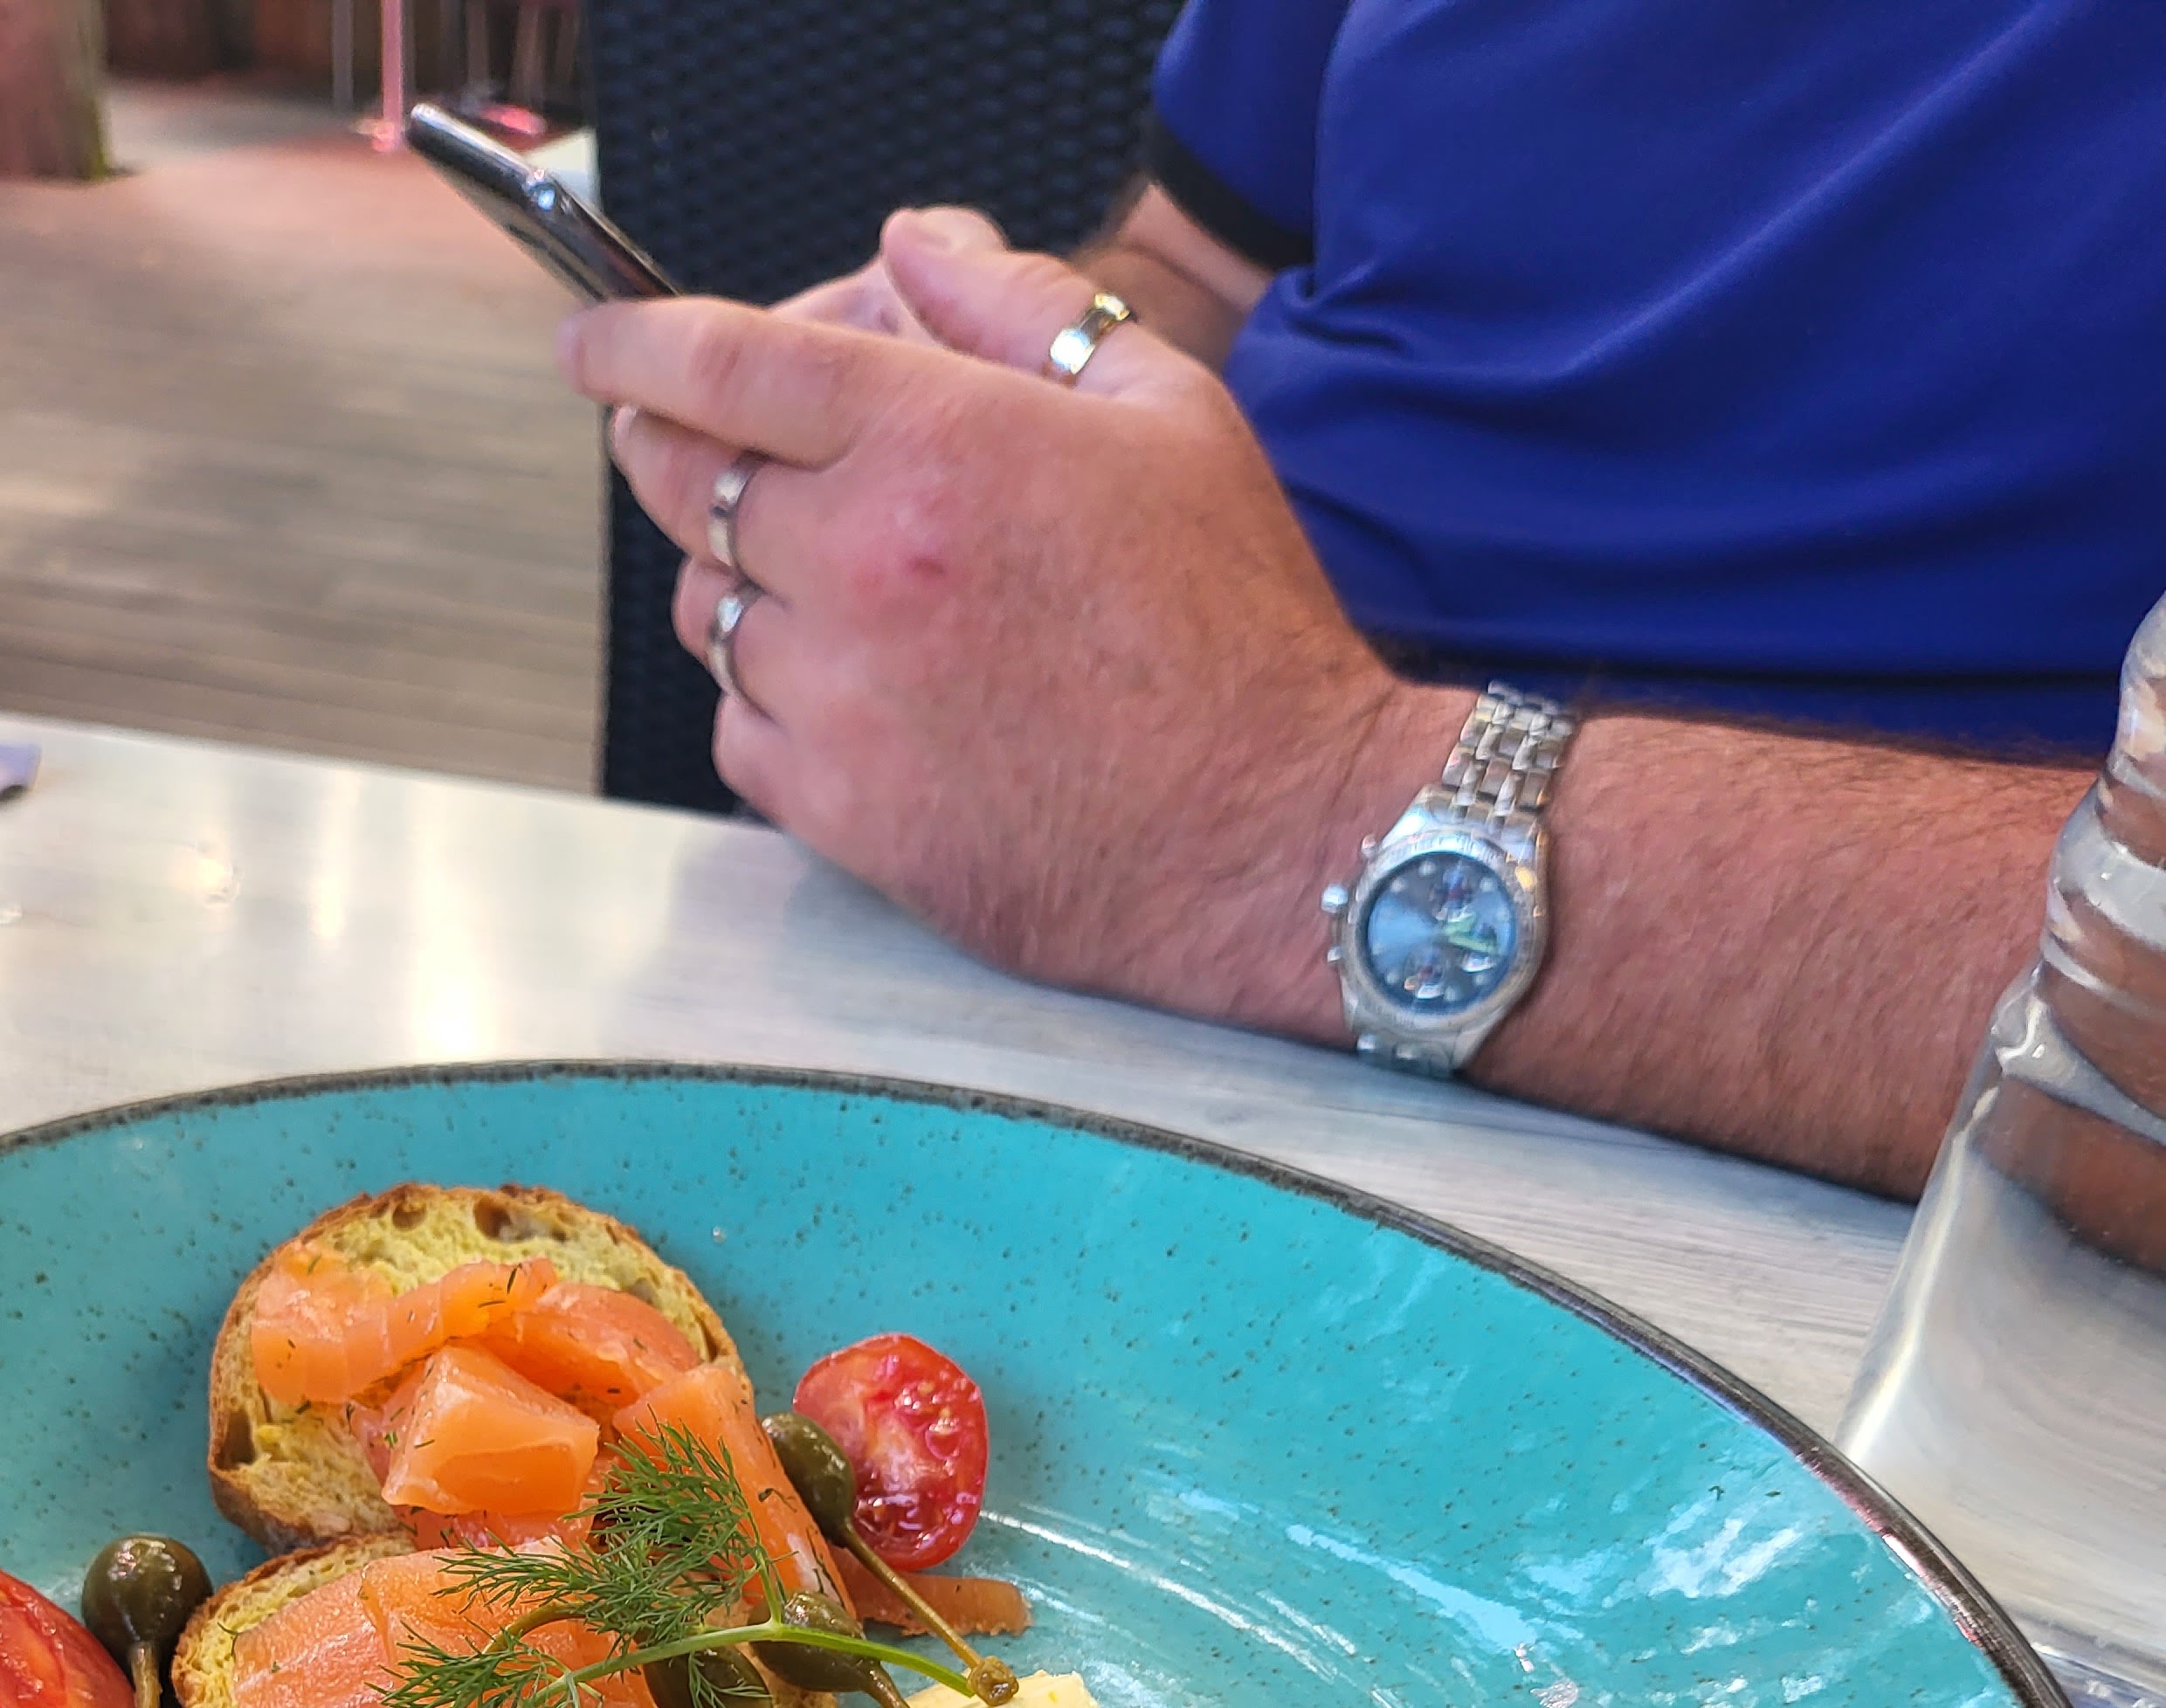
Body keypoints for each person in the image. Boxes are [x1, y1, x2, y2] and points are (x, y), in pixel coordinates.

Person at [557, 3, 2166, 1197]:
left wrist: (1292, 809)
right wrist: (1026, 384)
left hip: (1862, 1216)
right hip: (1040, 916)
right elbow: (1198, 257)